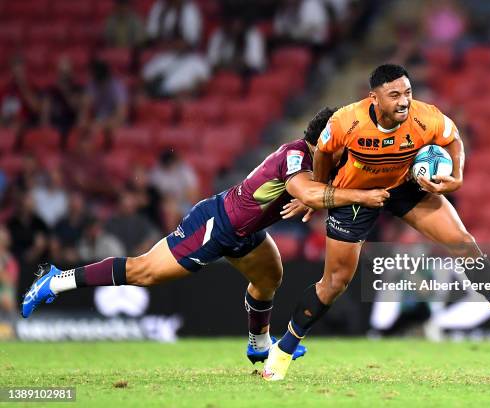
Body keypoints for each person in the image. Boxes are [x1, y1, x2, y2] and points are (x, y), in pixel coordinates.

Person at [262, 64, 490, 381]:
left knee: (463, 244)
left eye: (407, 92)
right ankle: (283, 350)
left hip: (406, 186)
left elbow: (453, 140)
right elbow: (324, 152)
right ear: (374, 98)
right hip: (356, 194)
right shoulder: (347, 121)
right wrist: (322, 190)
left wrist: (457, 177)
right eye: (394, 95)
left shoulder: (426, 117)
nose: (404, 101)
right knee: (334, 283)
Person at [21, 108, 389, 364]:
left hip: (247, 232)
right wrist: (325, 198)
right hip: (217, 225)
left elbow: (313, 192)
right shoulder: (296, 157)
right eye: (347, 139)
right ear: (329, 139)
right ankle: (57, 280)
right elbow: (308, 190)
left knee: (270, 277)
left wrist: (310, 200)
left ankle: (259, 345)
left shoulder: (320, 165)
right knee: (144, 272)